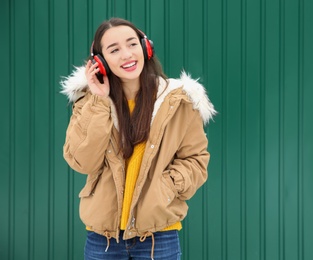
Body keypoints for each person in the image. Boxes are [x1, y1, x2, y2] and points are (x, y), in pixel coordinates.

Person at [60, 17, 216, 260]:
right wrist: (100, 101)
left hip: (158, 237)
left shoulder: (179, 102)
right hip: (103, 239)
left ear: (146, 48)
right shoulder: (89, 104)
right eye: (114, 50)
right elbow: (83, 161)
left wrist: (166, 187)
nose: (126, 55)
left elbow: (196, 159)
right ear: (100, 62)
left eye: (132, 44)